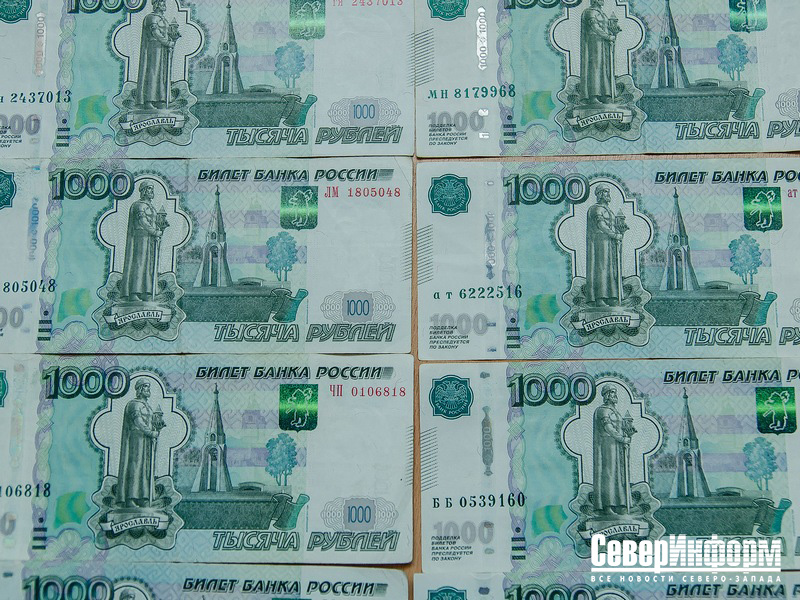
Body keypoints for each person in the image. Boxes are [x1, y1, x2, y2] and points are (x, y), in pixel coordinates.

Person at [116, 380, 165, 508]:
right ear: (140, 389)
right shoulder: (134, 405)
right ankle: (130, 498)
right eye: (146, 387)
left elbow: (152, 421)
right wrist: (151, 433)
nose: (148, 390)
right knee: (135, 466)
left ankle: (143, 497)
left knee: (145, 468)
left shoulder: (147, 406)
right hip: (135, 440)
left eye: (149, 387)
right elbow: (138, 422)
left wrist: (157, 426)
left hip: (146, 442)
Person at [592, 385, 631, 516]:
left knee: (618, 474)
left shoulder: (615, 411)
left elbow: (620, 427)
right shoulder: (602, 411)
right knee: (609, 474)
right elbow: (608, 428)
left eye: (615, 392)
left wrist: (626, 435)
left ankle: (620, 504)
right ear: (607, 395)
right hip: (607, 445)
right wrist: (622, 439)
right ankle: (607, 506)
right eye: (612, 392)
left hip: (617, 445)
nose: (615, 395)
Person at [120, 182, 162, 302]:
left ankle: (146, 292)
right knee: (139, 264)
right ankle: (134, 293)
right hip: (140, 239)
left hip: (150, 239)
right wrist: (155, 232)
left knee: (149, 265)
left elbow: (154, 222)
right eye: (148, 188)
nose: (151, 191)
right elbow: (143, 222)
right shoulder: (139, 206)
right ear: (143, 191)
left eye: (152, 189)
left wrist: (157, 230)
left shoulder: (151, 206)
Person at [585, 185, 622, 307]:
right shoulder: (596, 209)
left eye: (608, 192)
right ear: (600, 194)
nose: (608, 194)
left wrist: (618, 234)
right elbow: (601, 225)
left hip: (609, 243)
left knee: (611, 269)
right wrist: (615, 235)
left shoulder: (609, 210)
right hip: (599, 243)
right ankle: (599, 298)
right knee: (601, 268)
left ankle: (611, 296)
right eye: (605, 192)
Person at [136, 0, 176, 109]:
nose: (164, 5)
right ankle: (148, 101)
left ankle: (160, 99)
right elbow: (155, 33)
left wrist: (173, 37)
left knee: (162, 73)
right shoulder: (151, 18)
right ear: (157, 4)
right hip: (153, 49)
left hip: (163, 49)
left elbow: (168, 32)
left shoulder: (164, 19)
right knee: (153, 73)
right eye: (162, 2)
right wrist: (167, 42)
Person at [580, 0, 618, 104]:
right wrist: (608, 37)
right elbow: (595, 28)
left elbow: (606, 27)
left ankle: (605, 95)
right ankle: (593, 96)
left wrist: (613, 32)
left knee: (604, 68)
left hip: (603, 43)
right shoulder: (590, 12)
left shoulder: (602, 13)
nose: (603, 1)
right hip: (593, 43)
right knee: (595, 68)